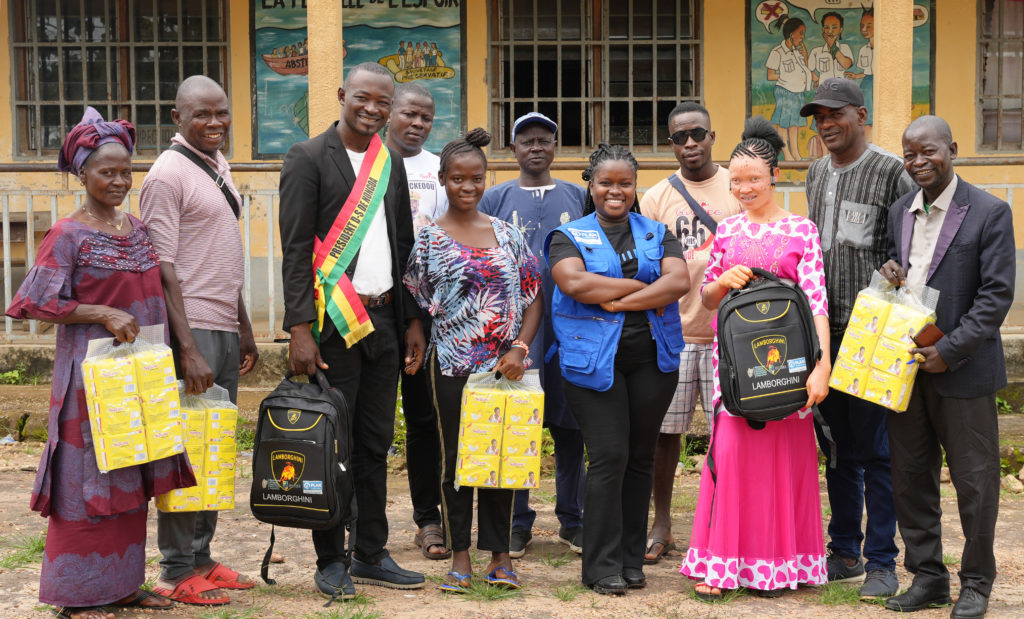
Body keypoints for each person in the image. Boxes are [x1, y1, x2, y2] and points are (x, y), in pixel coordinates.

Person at [6, 108, 195, 619]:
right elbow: (35, 303)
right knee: (87, 487)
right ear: (82, 174)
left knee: (133, 473)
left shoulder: (136, 228)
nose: (117, 181)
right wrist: (100, 312)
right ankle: (79, 596)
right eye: (105, 172)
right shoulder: (67, 235)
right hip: (87, 388)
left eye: (124, 171)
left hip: (140, 379)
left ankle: (124, 584)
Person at [279, 61, 427, 599]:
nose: (372, 109)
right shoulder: (306, 158)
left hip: (385, 320)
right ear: (342, 94)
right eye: (363, 98)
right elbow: (295, 250)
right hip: (331, 325)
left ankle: (370, 551)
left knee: (374, 441)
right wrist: (299, 328)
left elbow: (404, 246)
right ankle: (330, 559)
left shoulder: (390, 162)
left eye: (382, 102)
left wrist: (413, 318)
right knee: (331, 444)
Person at [679, 117, 831, 600]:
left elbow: (816, 302)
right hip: (737, 374)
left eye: (754, 179)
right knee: (733, 458)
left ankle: (781, 567)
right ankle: (723, 566)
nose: (744, 188)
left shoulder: (800, 230)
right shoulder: (726, 232)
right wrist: (722, 282)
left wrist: (822, 365)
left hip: (789, 371)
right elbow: (706, 300)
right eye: (737, 180)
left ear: (775, 176)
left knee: (784, 464)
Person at [879, 116, 1014, 619]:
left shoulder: (989, 212)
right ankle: (928, 578)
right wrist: (890, 271)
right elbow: (907, 276)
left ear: (952, 149)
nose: (918, 162)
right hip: (907, 370)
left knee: (976, 482)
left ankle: (976, 583)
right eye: (909, 154)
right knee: (911, 477)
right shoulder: (900, 211)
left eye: (927, 152)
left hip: (964, 371)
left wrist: (950, 351)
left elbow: (995, 296)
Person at [404, 128, 542, 593]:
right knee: (457, 462)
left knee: (499, 459)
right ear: (442, 179)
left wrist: (519, 348)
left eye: (476, 178)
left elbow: (533, 296)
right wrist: (418, 338)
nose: (468, 186)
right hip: (451, 367)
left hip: (502, 369)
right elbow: (417, 302)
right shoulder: (428, 240)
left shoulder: (507, 234)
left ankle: (500, 556)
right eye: (458, 178)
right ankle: (460, 553)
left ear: (486, 179)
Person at [547, 143, 688, 595]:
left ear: (634, 186)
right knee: (609, 457)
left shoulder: (657, 231)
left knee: (641, 458)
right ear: (591, 185)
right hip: (592, 364)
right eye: (605, 182)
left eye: (624, 183)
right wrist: (644, 286)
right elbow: (573, 281)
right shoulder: (568, 235)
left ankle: (631, 560)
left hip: (653, 361)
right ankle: (600, 565)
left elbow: (679, 281)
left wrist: (615, 297)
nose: (615, 191)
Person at [140, 76, 259, 606]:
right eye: (201, 115)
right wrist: (186, 348)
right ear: (176, 118)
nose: (215, 123)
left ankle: (203, 557)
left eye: (222, 112)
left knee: (213, 445)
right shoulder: (167, 175)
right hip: (190, 331)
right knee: (185, 451)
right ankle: (174, 568)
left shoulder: (216, 165)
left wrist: (245, 325)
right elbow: (161, 266)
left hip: (223, 326)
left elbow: (219, 253)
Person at [800, 77, 915, 599]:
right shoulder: (817, 172)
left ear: (860, 114)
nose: (826, 124)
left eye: (835, 114)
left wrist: (900, 269)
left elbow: (909, 247)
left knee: (876, 450)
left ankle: (882, 563)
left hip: (873, 333)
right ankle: (843, 550)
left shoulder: (892, 171)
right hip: (827, 332)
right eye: (818, 116)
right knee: (838, 449)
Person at [479, 111, 587, 558]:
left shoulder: (579, 196)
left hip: (571, 328)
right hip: (515, 331)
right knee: (518, 425)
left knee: (570, 426)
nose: (536, 147)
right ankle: (517, 522)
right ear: (513, 149)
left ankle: (572, 520)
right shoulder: (493, 198)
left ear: (555, 147)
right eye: (527, 141)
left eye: (545, 139)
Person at [639, 102, 742, 566]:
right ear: (670, 144)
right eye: (679, 137)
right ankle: (661, 523)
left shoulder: (737, 186)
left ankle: (723, 523)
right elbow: (646, 270)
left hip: (730, 337)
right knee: (666, 434)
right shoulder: (656, 197)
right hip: (674, 336)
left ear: (713, 135)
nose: (690, 144)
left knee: (732, 434)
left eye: (697, 134)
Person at [385, 82, 451, 561]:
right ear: (391, 112)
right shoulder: (364, 162)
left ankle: (429, 519)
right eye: (410, 114)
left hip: (426, 315)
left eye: (426, 117)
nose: (418, 124)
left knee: (425, 418)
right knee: (368, 421)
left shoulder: (437, 172)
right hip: (366, 310)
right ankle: (355, 521)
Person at [765, 16, 813, 161]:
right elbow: (770, 75)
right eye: (801, 33)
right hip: (785, 91)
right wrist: (786, 77)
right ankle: (786, 153)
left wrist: (804, 53)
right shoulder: (778, 52)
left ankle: (796, 153)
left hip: (797, 92)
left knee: (794, 124)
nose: (802, 37)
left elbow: (805, 67)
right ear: (791, 34)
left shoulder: (796, 53)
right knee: (783, 123)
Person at [843, 8, 875, 141]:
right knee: (867, 117)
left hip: (880, 84)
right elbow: (866, 72)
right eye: (862, 25)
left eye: (869, 25)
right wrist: (855, 76)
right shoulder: (864, 49)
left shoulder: (885, 47)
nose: (864, 29)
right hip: (867, 84)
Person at [808, 12, 853, 87]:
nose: (830, 31)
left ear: (840, 29)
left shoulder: (845, 48)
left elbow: (846, 64)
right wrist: (816, 80)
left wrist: (832, 45)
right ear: (823, 29)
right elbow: (809, 69)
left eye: (834, 27)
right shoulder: (816, 51)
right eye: (826, 27)